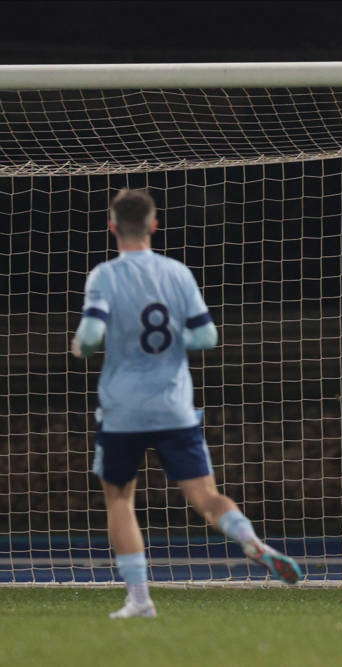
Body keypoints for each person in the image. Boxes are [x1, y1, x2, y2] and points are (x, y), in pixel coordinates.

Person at [72, 189, 302, 619]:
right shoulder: (177, 274)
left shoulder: (104, 276)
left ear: (113, 227)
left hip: (123, 409)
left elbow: (88, 338)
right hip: (174, 406)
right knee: (206, 497)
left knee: (120, 499)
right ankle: (250, 541)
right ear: (154, 225)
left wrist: (83, 346)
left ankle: (140, 600)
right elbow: (206, 338)